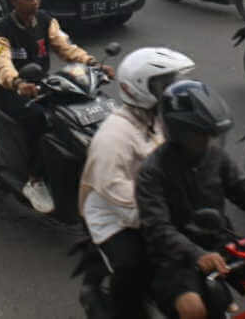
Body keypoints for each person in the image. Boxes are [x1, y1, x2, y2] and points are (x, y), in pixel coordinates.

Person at [136, 80, 245, 319]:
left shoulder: (214, 155)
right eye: (200, 135)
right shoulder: (153, 171)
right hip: (177, 255)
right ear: (179, 133)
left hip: (219, 239)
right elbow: (158, 228)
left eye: (210, 134)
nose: (207, 141)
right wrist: (196, 254)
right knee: (192, 309)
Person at [80, 48, 195, 318]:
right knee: (133, 265)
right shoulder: (113, 136)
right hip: (114, 215)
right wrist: (160, 215)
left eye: (171, 82)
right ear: (141, 88)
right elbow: (114, 189)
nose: (171, 90)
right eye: (164, 85)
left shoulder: (161, 120)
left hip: (156, 204)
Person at [0, 0, 112, 213]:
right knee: (39, 119)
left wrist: (94, 64)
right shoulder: (2, 31)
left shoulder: (46, 21)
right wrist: (17, 83)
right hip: (10, 88)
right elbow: (1, 64)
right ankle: (34, 179)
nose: (34, 2)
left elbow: (66, 48)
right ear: (13, 0)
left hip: (39, 84)